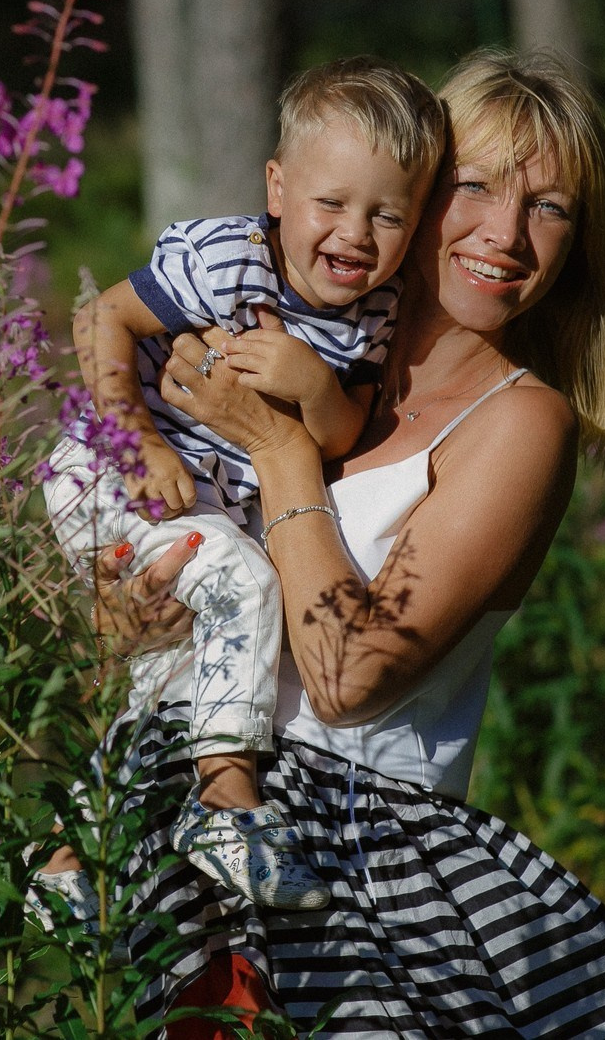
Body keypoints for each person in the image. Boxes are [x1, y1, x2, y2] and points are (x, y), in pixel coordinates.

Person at [95, 51, 605, 1037]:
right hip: (174, 808)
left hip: (351, 861)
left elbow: (347, 675)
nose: (504, 233)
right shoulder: (289, 337)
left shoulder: (517, 424)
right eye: (475, 188)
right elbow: (143, 603)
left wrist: (279, 450)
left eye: (550, 208)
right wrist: (126, 603)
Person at [36, 59, 446, 919]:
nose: (356, 234)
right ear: (277, 186)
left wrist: (309, 381)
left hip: (200, 500)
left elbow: (335, 434)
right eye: (331, 203)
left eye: (388, 215)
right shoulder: (229, 261)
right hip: (108, 471)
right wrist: (139, 442)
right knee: (247, 584)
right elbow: (100, 316)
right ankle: (227, 806)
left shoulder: (374, 310)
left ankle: (70, 854)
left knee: (181, 664)